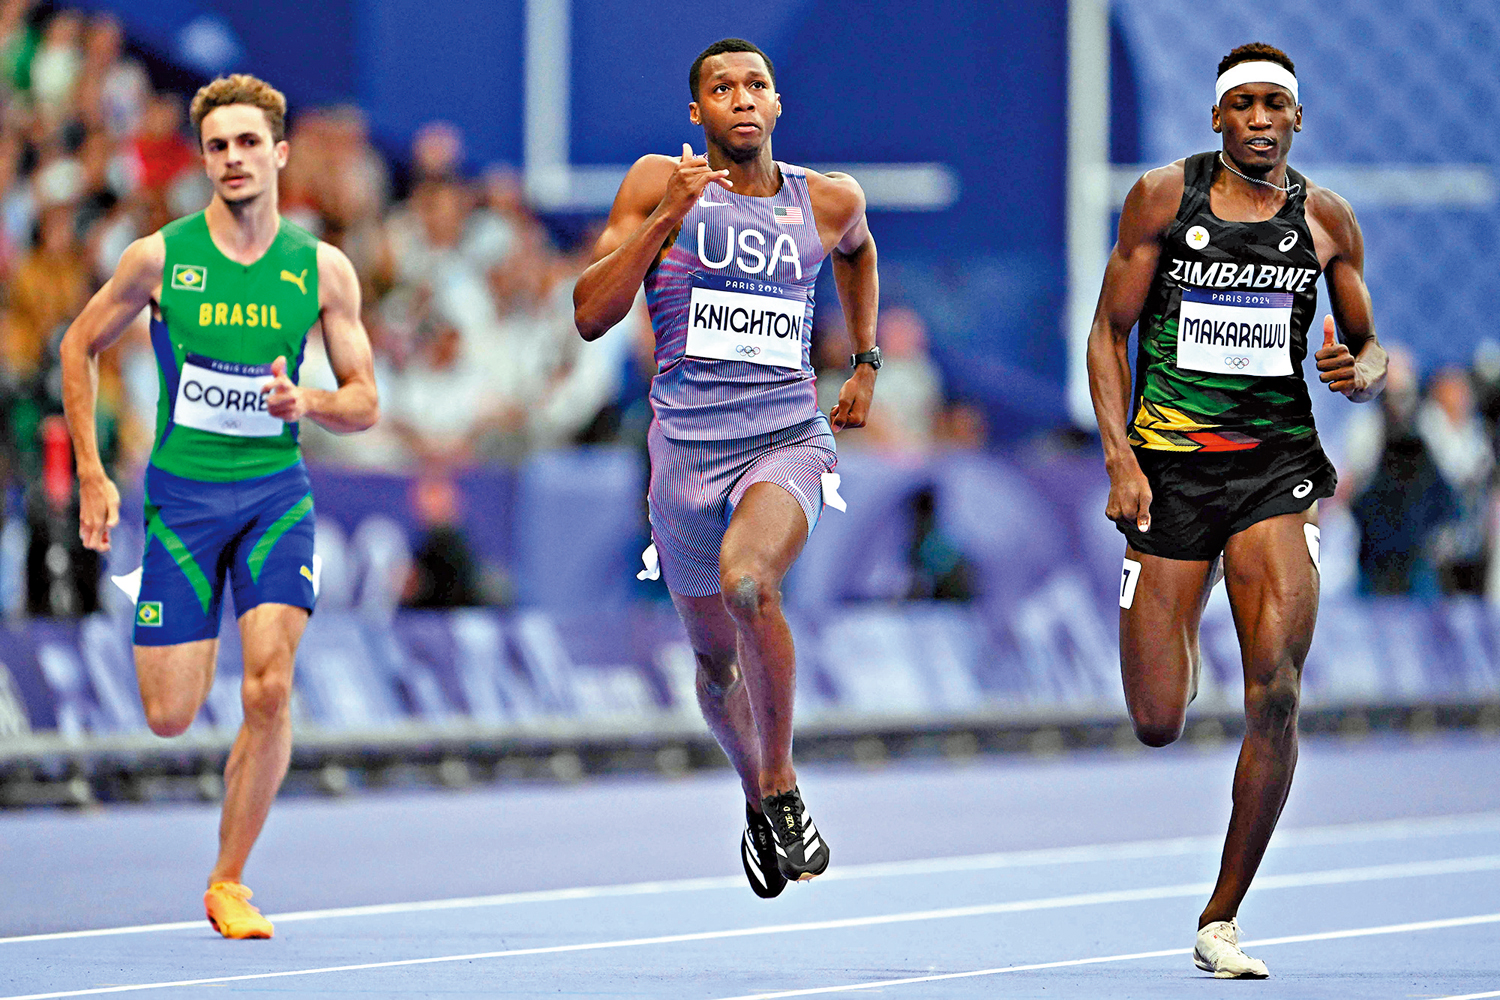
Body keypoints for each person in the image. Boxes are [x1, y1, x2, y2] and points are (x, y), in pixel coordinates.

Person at [1085, 43, 1387, 977]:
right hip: (1171, 474)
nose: (1260, 119)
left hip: (1275, 472)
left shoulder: (1325, 220)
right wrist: (1120, 457)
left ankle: (1221, 917)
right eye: (1243, 104)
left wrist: (1359, 372)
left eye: (1275, 106)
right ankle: (1189, 591)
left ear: (1298, 119)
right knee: (1156, 718)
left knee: (1278, 691)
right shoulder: (1161, 199)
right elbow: (1108, 333)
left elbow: (1371, 349)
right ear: (1217, 118)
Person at [60, 74, 378, 939]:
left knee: (270, 688)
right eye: (217, 146)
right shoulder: (160, 259)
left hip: (276, 498)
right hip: (183, 504)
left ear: (279, 154)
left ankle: (229, 879)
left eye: (248, 143)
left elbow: (365, 401)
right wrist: (92, 471)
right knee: (169, 715)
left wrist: (309, 402)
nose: (233, 158)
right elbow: (78, 345)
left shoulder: (321, 269)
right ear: (204, 161)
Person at [574, 38, 878, 897]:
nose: (741, 98)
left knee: (750, 584)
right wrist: (665, 218)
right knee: (714, 666)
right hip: (683, 460)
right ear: (697, 112)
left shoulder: (829, 199)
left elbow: (857, 250)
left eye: (756, 85)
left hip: (786, 439)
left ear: (777, 105)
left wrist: (865, 360)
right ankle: (755, 797)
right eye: (722, 88)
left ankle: (780, 784)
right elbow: (591, 315)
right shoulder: (656, 183)